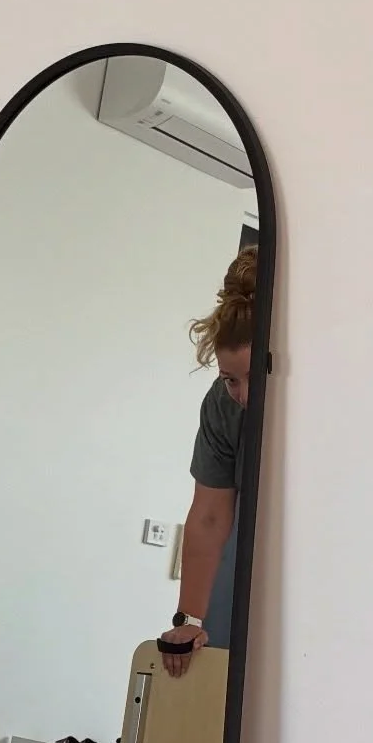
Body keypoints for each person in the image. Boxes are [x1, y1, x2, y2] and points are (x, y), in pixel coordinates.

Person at [160, 246, 256, 679]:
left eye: (253, 377)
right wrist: (189, 621)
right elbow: (210, 515)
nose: (244, 395)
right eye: (231, 379)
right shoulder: (222, 406)